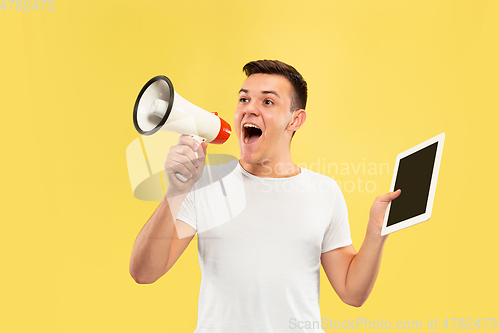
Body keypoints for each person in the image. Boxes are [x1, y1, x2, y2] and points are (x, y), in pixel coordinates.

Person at [129, 60, 401, 332]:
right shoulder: (203, 184)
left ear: (296, 119)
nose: (249, 109)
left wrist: (377, 232)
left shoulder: (324, 192)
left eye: (267, 102)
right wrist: (177, 191)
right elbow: (143, 273)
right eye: (243, 99)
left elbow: (352, 293)